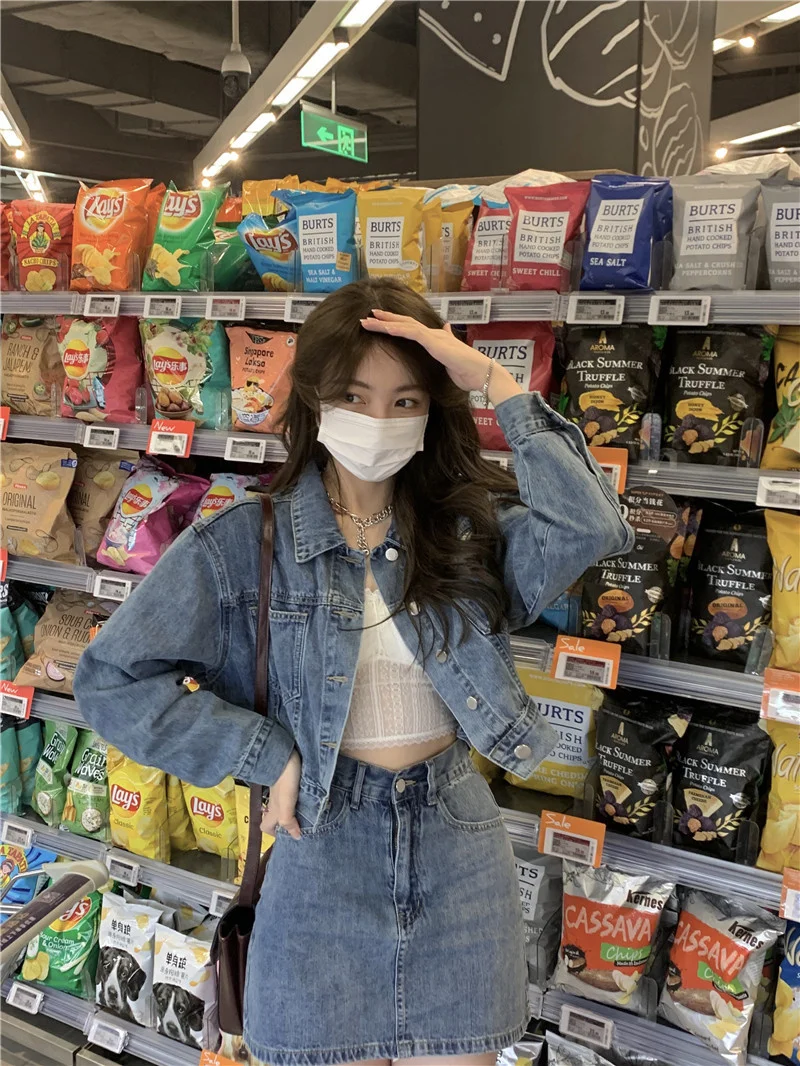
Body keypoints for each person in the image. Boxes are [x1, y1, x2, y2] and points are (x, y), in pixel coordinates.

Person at [74, 278, 632, 1066]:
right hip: (319, 853)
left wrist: (491, 381)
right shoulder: (243, 543)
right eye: (354, 396)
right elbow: (110, 678)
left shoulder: (466, 532)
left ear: (432, 411)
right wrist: (263, 753)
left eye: (406, 400)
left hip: (458, 856)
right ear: (313, 398)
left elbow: (592, 524)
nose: (378, 420)